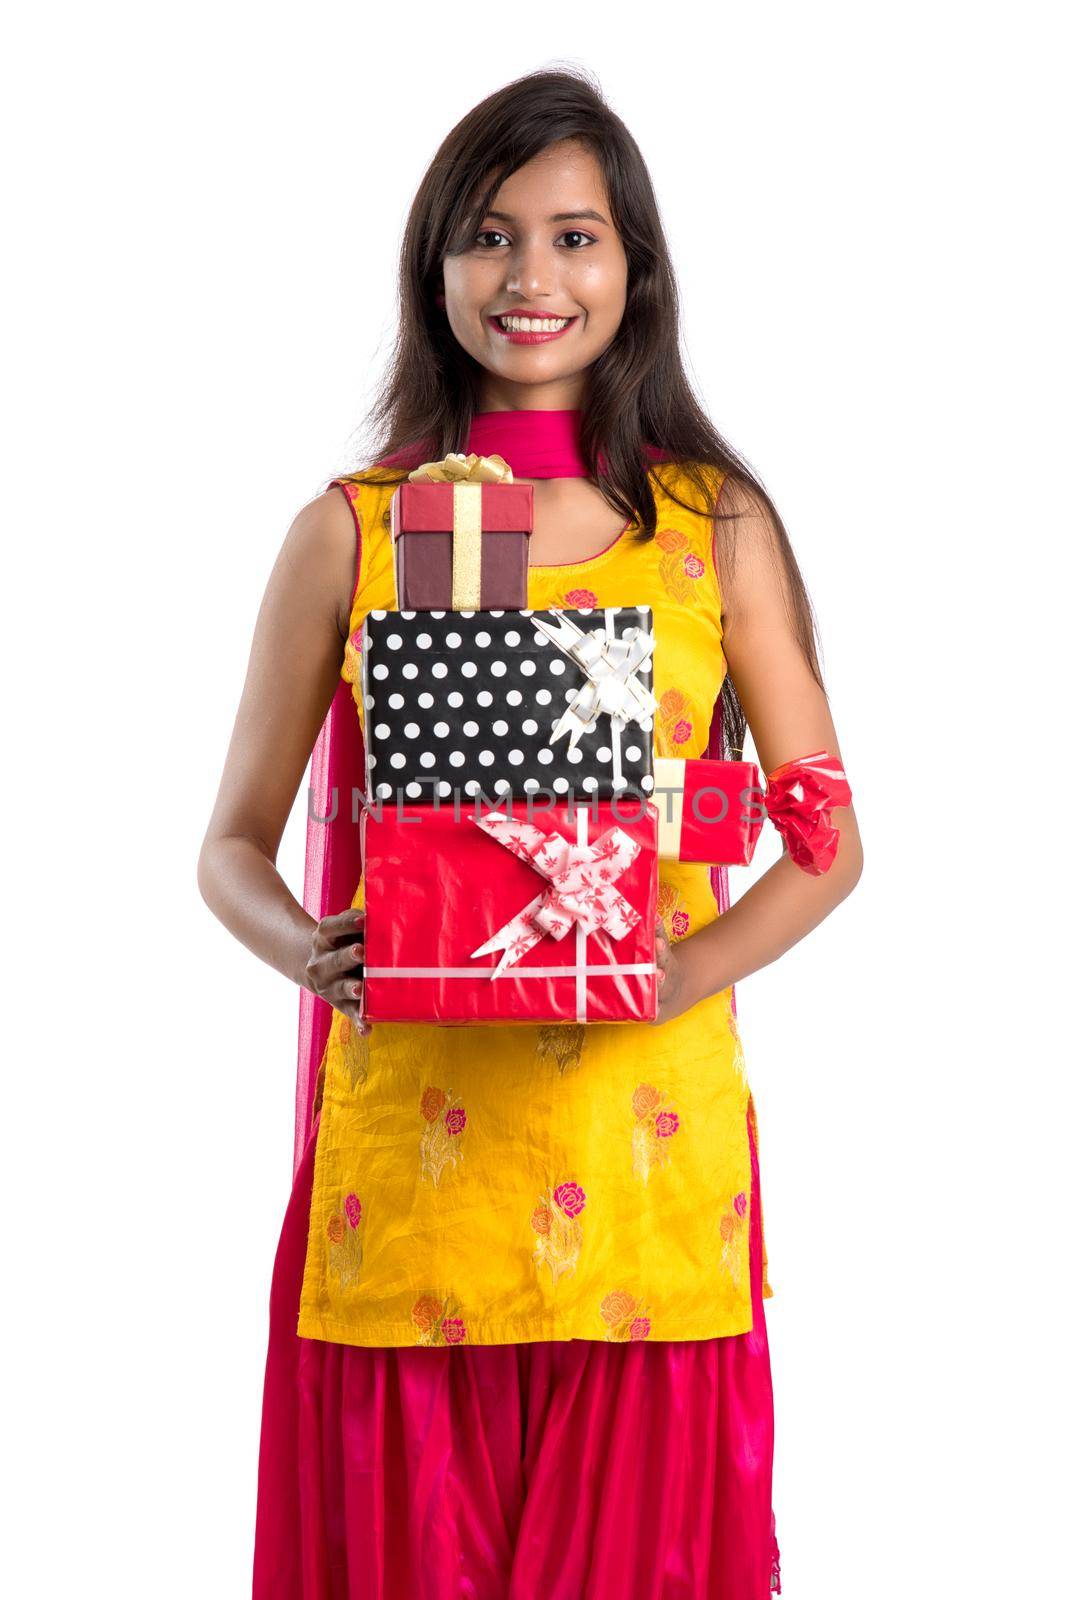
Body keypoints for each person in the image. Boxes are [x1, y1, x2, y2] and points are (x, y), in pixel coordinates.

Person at [198, 67, 863, 1600]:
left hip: (645, 1165)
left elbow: (829, 838)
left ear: (636, 270)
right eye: (488, 238)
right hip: (417, 1175)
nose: (531, 279)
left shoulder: (717, 527)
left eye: (575, 237)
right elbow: (229, 844)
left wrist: (683, 972)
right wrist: (315, 950)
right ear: (435, 269)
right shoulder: (356, 532)